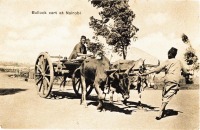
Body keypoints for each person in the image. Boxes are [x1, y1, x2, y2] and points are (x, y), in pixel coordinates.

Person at [140, 47, 189, 120]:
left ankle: (161, 112)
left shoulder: (167, 61)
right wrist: (187, 73)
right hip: (174, 81)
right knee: (166, 97)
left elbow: (157, 69)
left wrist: (146, 73)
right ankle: (161, 111)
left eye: (168, 54)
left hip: (167, 81)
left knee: (165, 97)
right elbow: (185, 72)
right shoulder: (179, 62)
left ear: (169, 54)